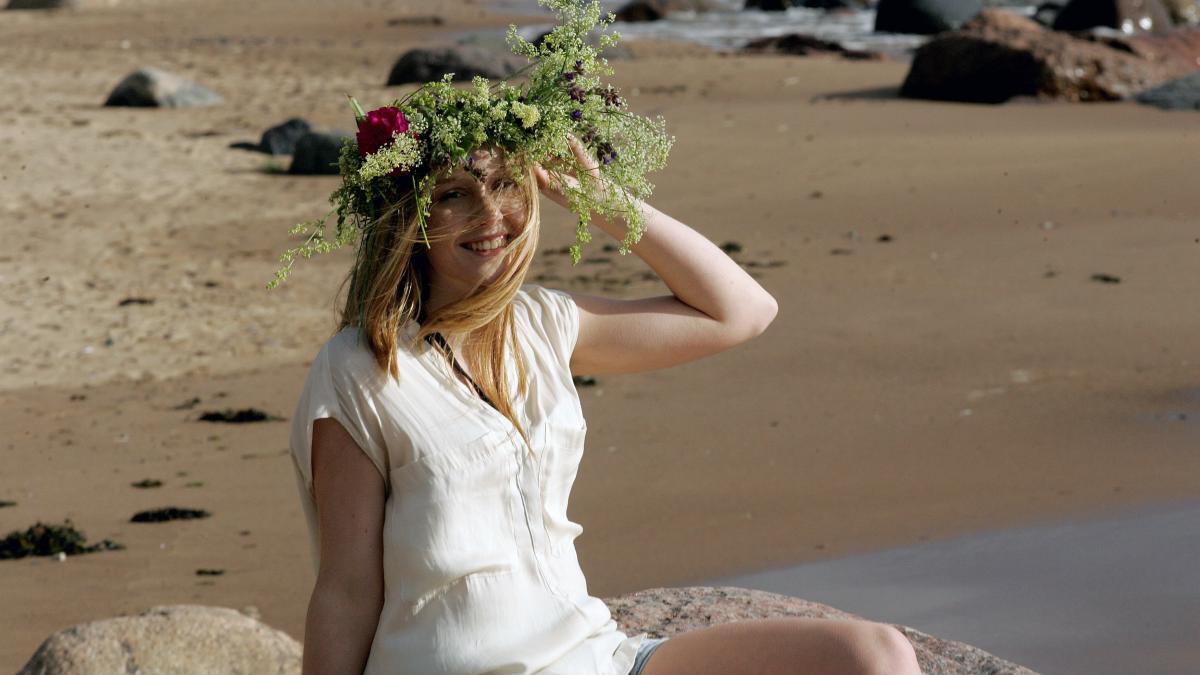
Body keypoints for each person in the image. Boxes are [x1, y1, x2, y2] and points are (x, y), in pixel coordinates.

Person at [288, 138, 921, 674]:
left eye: (507, 185)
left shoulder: (543, 324)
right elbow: (345, 590)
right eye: (456, 193)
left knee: (874, 654)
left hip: (596, 655)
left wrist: (597, 198)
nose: (490, 214)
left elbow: (743, 311)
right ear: (413, 216)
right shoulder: (360, 367)